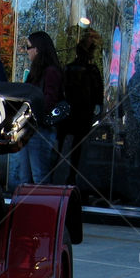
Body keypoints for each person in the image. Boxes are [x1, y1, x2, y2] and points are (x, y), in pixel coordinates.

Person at [9, 31, 64, 187]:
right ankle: (25, 208)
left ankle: (41, 209)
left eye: (28, 47)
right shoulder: (37, 71)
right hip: (30, 128)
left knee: (39, 175)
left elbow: (49, 100)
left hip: (40, 129)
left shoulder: (50, 72)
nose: (27, 51)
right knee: (24, 176)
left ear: (38, 49)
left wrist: (32, 111)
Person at [57, 29, 104, 184]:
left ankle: (65, 175)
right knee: (76, 147)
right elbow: (98, 95)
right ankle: (70, 176)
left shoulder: (71, 69)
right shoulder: (90, 71)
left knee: (64, 144)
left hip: (72, 113)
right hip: (81, 114)